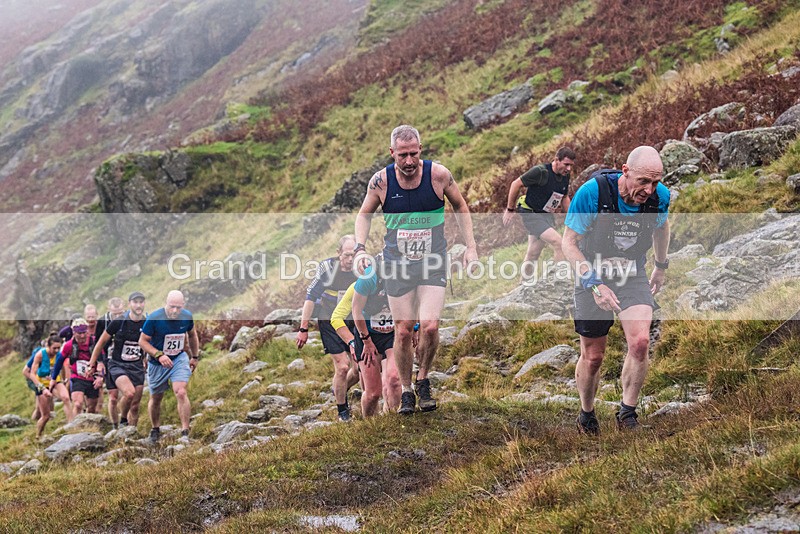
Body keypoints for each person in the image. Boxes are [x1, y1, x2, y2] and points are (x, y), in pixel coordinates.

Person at [355, 124, 478, 415]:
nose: (408, 161)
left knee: (431, 324)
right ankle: (407, 391)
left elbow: (461, 206)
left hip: (432, 261)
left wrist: (470, 246)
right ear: (392, 153)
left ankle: (423, 380)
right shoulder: (381, 182)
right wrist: (360, 248)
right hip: (396, 264)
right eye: (402, 155)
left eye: (413, 154)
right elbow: (364, 214)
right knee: (403, 330)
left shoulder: (438, 175)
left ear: (420, 150)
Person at [562, 146, 670, 434]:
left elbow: (661, 227)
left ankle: (627, 413)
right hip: (591, 273)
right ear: (625, 171)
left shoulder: (660, 197)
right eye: (643, 182)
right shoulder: (592, 193)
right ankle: (586, 413)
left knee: (640, 342)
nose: (649, 189)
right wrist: (594, 283)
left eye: (655, 182)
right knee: (594, 356)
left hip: (632, 273)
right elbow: (569, 243)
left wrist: (660, 265)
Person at [296, 235, 361, 421]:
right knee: (342, 367)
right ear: (338, 253)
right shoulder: (327, 269)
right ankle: (343, 411)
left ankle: (340, 389)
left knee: (358, 370)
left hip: (352, 321)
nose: (350, 260)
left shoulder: (362, 267)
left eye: (354, 255)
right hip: (329, 320)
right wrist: (303, 328)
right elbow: (310, 297)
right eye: (347, 255)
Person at [331, 254, 402, 417]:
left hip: (390, 335)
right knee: (372, 393)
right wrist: (354, 342)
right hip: (365, 334)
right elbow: (336, 318)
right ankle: (369, 424)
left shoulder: (401, 279)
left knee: (393, 380)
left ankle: (394, 420)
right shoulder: (361, 284)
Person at [139, 290, 199, 443]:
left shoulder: (186, 316)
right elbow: (143, 341)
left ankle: (185, 430)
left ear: (183, 306)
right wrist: (158, 354)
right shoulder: (154, 318)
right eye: (172, 307)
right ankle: (155, 428)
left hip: (178, 358)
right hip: (156, 362)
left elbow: (192, 335)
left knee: (180, 391)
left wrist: (195, 356)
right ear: (166, 303)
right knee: (156, 397)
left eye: (178, 307)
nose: (175, 311)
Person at [503, 147, 576, 268]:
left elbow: (564, 197)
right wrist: (510, 209)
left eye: (571, 165)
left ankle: (524, 284)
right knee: (559, 243)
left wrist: (574, 217)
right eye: (566, 164)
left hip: (545, 216)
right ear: (556, 160)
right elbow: (515, 184)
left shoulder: (565, 175)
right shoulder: (541, 171)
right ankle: (558, 280)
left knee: (533, 254)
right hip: (530, 213)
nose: (569, 169)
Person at [89, 292, 147, 429]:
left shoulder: (147, 322)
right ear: (129, 304)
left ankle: (131, 433)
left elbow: (149, 342)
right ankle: (121, 421)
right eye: (135, 302)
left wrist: (147, 357)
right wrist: (93, 363)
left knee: (135, 404)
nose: (138, 305)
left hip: (137, 365)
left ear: (144, 304)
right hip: (117, 364)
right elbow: (100, 343)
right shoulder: (118, 321)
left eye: (141, 302)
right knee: (128, 393)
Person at [52, 318, 101, 415]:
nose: (82, 336)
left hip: (93, 377)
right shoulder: (69, 345)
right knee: (78, 404)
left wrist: (101, 376)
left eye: (84, 332)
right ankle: (75, 427)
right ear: (73, 332)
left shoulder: (95, 342)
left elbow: (103, 361)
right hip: (77, 377)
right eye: (79, 333)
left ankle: (88, 425)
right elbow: (59, 361)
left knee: (91, 408)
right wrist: (53, 378)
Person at [27, 334, 72, 436]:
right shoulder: (40, 355)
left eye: (58, 348)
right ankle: (38, 435)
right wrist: (42, 389)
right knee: (46, 416)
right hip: (41, 384)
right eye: (54, 348)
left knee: (66, 398)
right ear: (48, 346)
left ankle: (71, 424)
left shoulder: (60, 354)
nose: (56, 350)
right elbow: (32, 374)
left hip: (55, 381)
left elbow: (62, 367)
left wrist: (64, 379)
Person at [94, 297, 125, 428]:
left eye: (120, 313)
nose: (118, 316)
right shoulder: (102, 321)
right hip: (109, 360)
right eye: (115, 314)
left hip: (126, 359)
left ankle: (125, 420)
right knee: (113, 396)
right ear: (109, 309)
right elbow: (97, 343)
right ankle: (115, 425)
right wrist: (100, 362)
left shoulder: (130, 319)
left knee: (127, 394)